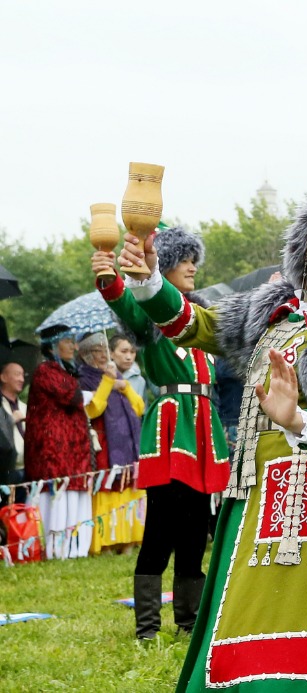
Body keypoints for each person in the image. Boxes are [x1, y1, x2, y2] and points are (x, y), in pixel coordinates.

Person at [118, 171, 307, 690]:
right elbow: (196, 325)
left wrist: (298, 419)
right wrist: (149, 280)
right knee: (242, 611)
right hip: (251, 488)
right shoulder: (274, 306)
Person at [93, 227, 232, 640]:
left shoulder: (201, 318)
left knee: (196, 533)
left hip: (204, 425)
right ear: (163, 265)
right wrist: (109, 278)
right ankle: (148, 629)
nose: (192, 267)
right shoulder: (152, 316)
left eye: (193, 260)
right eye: (183, 259)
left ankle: (188, 624)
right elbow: (127, 305)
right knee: (160, 529)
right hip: (171, 425)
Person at [24, 325, 93, 559]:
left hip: (72, 450)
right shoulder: (45, 371)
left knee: (73, 494)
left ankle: (76, 548)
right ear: (53, 345)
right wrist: (104, 385)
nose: (74, 346)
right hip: (52, 449)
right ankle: (56, 548)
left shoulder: (65, 371)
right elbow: (73, 397)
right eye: (68, 341)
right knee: (58, 495)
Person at [76, 332, 146, 556]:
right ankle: (105, 542)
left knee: (128, 486)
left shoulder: (118, 375)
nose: (103, 355)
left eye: (104, 350)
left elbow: (139, 408)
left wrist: (124, 386)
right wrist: (107, 382)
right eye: (98, 351)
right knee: (108, 486)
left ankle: (128, 541)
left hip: (129, 442)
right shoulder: (84, 379)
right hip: (105, 442)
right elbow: (93, 409)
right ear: (86, 355)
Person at [0, 361, 26, 489]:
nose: (21, 379)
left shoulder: (25, 407)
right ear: (3, 377)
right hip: (6, 471)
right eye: (17, 374)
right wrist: (11, 420)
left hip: (27, 469)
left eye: (23, 375)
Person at [111, 334, 148, 403]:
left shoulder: (140, 381)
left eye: (132, 352)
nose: (129, 357)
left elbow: (143, 408)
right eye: (124, 351)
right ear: (111, 353)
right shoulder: (103, 378)